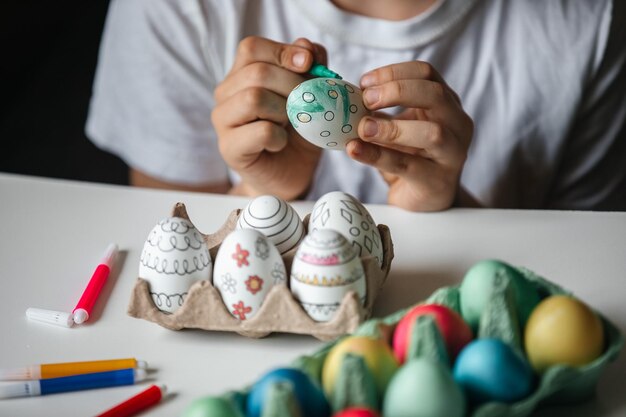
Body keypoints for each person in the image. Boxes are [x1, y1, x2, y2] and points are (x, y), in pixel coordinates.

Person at [86, 0, 626, 211]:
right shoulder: (178, 9)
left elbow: (582, 291)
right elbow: (169, 252)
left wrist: (448, 210)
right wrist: (266, 194)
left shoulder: (585, 24)